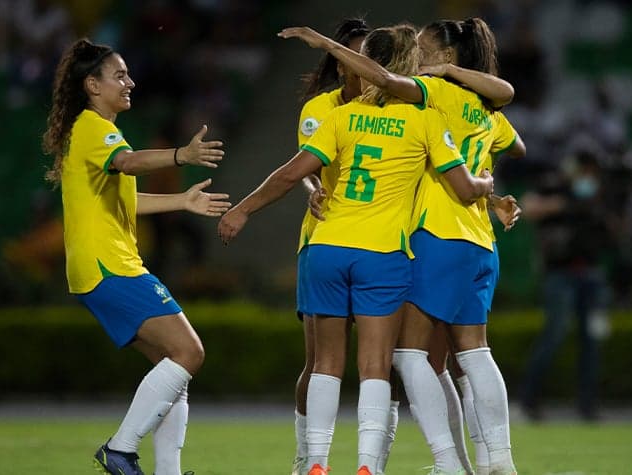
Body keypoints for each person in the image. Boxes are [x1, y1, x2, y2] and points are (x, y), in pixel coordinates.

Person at [220, 25, 493, 475]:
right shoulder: (425, 117)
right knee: (374, 367)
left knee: (324, 363)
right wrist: (489, 185)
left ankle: (316, 463)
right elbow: (463, 186)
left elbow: (290, 175)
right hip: (381, 253)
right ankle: (368, 466)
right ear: (407, 67)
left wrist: (242, 211)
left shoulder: (340, 118)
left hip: (325, 247)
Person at [281, 18, 523, 475]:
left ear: (446, 59)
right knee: (465, 354)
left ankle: (445, 461)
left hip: (424, 236)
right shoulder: (482, 106)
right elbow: (512, 144)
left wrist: (323, 43)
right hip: (475, 239)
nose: (419, 57)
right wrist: (490, 194)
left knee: (405, 357)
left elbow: (389, 83)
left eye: (426, 50)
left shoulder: (429, 97)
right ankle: (494, 460)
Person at [42, 38, 230, 475]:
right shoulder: (94, 128)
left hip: (103, 265)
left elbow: (125, 196)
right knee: (190, 353)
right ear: (92, 84)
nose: (130, 82)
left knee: (173, 368)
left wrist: (181, 202)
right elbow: (126, 164)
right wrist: (181, 155)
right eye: (119, 75)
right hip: (110, 265)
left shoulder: (93, 133)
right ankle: (121, 449)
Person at [290, 18, 372, 475]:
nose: (363, 65)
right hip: (323, 238)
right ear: (339, 67)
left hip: (379, 243)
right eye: (353, 57)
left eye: (371, 57)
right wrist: (313, 189)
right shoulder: (320, 108)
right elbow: (305, 165)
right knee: (319, 360)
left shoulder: (393, 108)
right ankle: (306, 455)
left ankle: (371, 460)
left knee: (383, 361)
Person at [519, 149, 612, 421]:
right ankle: (529, 399)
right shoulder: (555, 186)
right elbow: (528, 206)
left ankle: (588, 405)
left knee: (592, 340)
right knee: (554, 335)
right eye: (584, 171)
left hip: (591, 273)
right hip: (560, 274)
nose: (588, 177)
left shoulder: (601, 194)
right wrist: (565, 203)